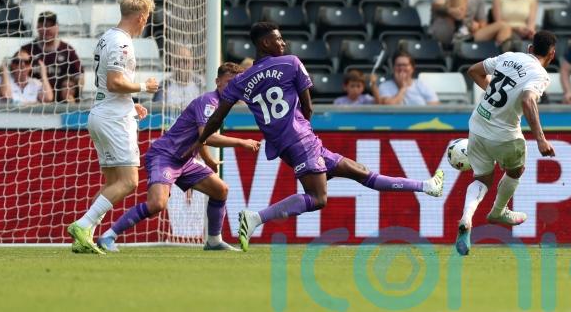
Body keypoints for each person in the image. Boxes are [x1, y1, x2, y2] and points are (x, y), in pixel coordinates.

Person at [183, 22, 444, 252]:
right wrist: (303, 133)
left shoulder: (241, 80)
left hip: (290, 144)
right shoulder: (291, 62)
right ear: (265, 43)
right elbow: (308, 107)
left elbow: (218, 117)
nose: (283, 42)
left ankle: (427, 186)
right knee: (318, 198)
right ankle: (255, 218)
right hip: (303, 138)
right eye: (278, 38)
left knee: (361, 172)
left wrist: (200, 140)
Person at [96, 62, 260, 253]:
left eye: (237, 83)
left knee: (220, 190)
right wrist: (241, 142)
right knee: (157, 203)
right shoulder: (210, 102)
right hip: (165, 155)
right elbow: (207, 135)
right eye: (229, 82)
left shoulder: (222, 105)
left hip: (184, 160)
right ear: (217, 82)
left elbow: (201, 138)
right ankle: (108, 236)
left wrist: (207, 160)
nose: (233, 86)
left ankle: (214, 240)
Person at [67, 0, 159, 255]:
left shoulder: (108, 36)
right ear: (141, 17)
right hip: (113, 120)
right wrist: (144, 86)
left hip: (104, 112)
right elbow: (114, 82)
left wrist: (131, 103)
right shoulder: (122, 43)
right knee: (129, 181)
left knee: (112, 183)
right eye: (147, 19)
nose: (145, 24)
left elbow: (112, 86)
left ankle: (84, 238)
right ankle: (83, 225)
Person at [455, 31, 557, 256]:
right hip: (503, 134)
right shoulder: (540, 74)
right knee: (516, 169)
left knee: (482, 178)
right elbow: (528, 99)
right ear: (552, 54)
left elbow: (473, 70)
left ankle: (467, 217)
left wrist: (494, 97)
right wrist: (541, 139)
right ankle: (498, 211)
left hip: (478, 123)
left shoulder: (508, 56)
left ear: (530, 48)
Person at [21, 11, 82, 102]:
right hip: (34, 103)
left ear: (57, 28)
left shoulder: (67, 50)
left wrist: (74, 97)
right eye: (44, 25)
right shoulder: (27, 50)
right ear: (38, 27)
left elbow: (79, 77)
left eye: (50, 25)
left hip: (61, 104)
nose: (47, 29)